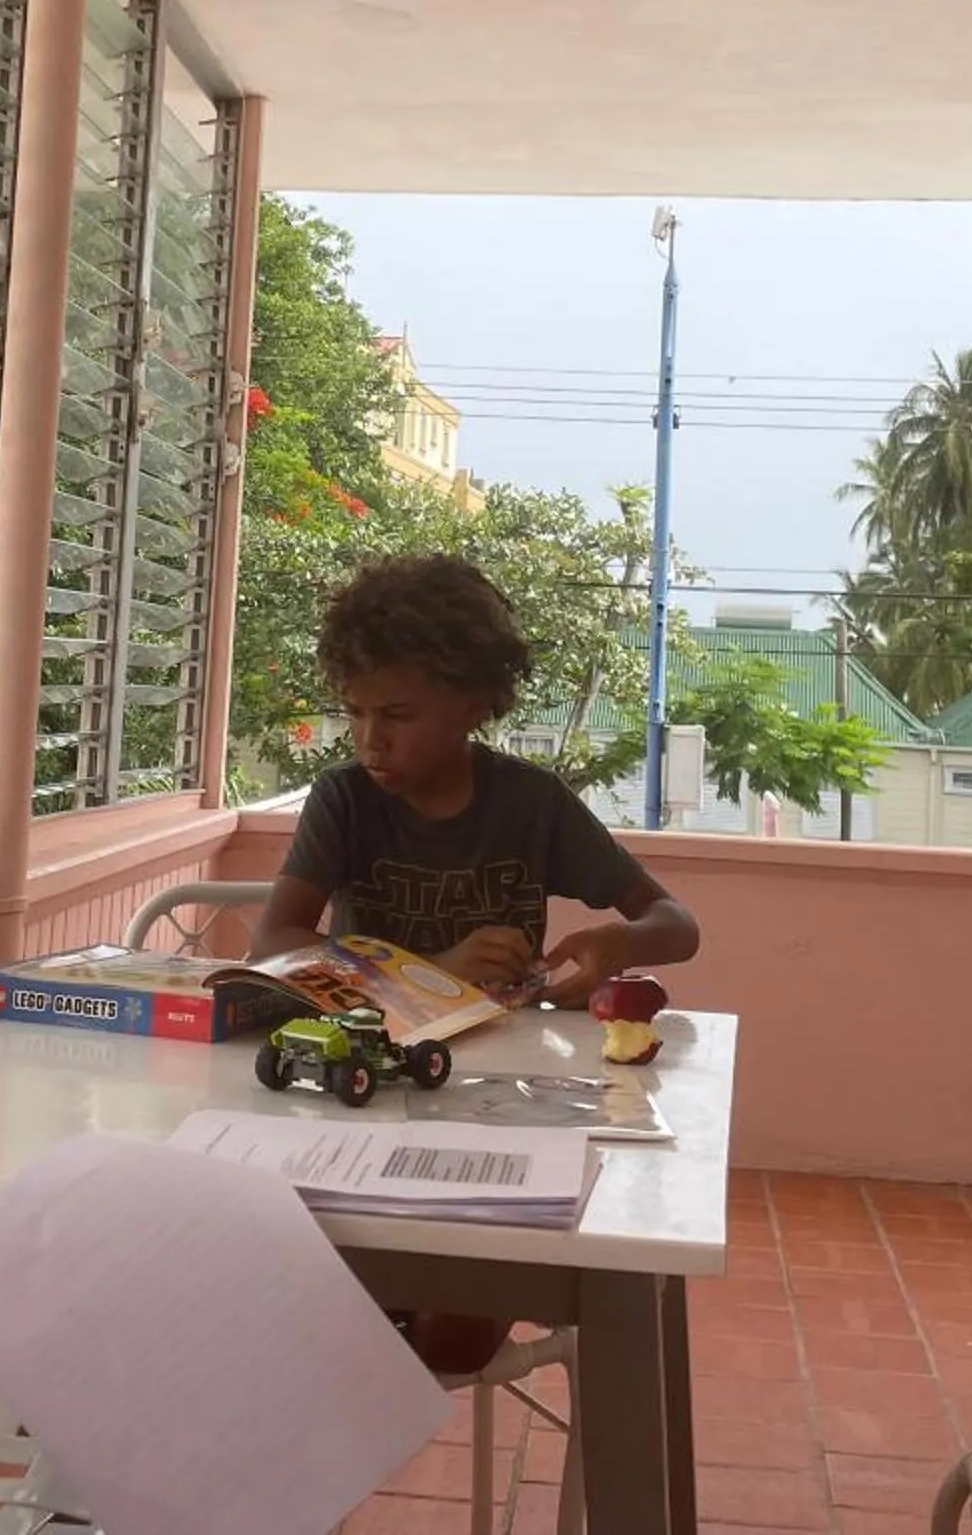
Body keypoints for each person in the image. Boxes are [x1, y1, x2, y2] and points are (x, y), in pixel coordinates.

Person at [249, 552, 701, 1375]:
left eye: (397, 713)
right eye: (354, 713)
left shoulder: (529, 804)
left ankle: (382, 1363)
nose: (370, 740)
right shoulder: (344, 801)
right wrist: (437, 967)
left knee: (458, 1319)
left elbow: (676, 923)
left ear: (473, 702)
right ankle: (362, 1360)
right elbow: (275, 947)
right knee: (283, 1264)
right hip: (370, 1091)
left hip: (504, 1100)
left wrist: (615, 945)